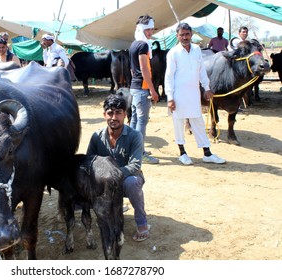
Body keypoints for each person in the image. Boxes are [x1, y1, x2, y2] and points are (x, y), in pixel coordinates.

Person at [87, 94, 151, 242]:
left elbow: (135, 166)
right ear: (104, 115)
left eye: (118, 113)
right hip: (103, 183)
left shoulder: (135, 136)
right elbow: (89, 162)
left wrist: (111, 175)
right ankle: (110, 210)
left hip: (126, 180)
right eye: (110, 113)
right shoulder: (97, 137)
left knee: (133, 183)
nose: (114, 117)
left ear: (125, 115)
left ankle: (142, 222)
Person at [165, 22, 226, 166]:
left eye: (187, 34)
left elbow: (201, 71)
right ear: (177, 36)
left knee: (198, 121)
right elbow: (169, 76)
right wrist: (170, 98)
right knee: (179, 122)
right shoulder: (173, 53)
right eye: (182, 35)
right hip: (178, 94)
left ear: (191, 35)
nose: (185, 37)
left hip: (193, 92)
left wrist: (206, 88)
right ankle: (182, 153)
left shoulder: (197, 50)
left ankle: (207, 153)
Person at [129, 14, 160, 164]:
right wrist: (153, 90)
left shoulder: (134, 44)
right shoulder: (143, 45)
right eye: (148, 29)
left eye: (152, 29)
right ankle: (139, 153)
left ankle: (132, 149)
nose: (150, 32)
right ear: (141, 29)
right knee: (141, 121)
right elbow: (144, 68)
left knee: (135, 119)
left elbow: (132, 69)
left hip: (134, 87)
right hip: (142, 88)